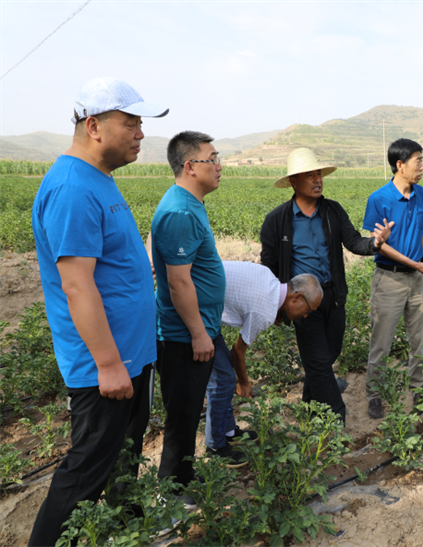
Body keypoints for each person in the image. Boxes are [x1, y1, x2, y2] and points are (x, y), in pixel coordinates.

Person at [28, 77, 168, 547]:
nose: (141, 133)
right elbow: (76, 283)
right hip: (103, 369)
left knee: (124, 458)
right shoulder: (72, 188)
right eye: (131, 122)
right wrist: (108, 365)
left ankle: (129, 531)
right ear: (94, 125)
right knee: (85, 470)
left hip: (130, 357)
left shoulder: (97, 179)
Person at [260, 148, 393, 426]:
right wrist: (276, 305)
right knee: (320, 363)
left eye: (318, 173)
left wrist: (375, 244)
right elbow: (269, 266)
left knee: (329, 354)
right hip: (301, 302)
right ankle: (336, 418)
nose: (317, 179)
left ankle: (308, 405)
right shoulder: (277, 220)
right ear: (294, 182)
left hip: (332, 296)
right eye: (310, 174)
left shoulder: (332, 211)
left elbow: (354, 241)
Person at [151, 131, 224, 505]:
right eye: (212, 158)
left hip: (196, 331)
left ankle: (184, 477)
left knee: (190, 410)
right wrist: (198, 334)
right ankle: (171, 494)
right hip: (183, 337)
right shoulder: (180, 211)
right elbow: (179, 283)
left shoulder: (190, 203)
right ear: (190, 166)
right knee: (181, 416)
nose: (219, 166)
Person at [205, 263, 323, 465]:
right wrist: (244, 382)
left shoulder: (269, 277)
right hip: (194, 311)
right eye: (308, 310)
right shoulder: (265, 311)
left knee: (225, 376)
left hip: (204, 304)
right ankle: (215, 446)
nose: (305, 316)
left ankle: (229, 431)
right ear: (296, 298)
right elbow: (238, 350)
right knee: (223, 382)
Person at [362, 138, 423, 420]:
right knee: (381, 342)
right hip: (389, 280)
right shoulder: (379, 198)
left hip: (418, 280)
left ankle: (418, 391)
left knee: (419, 341)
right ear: (400, 165)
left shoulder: (422, 194)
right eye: (417, 161)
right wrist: (418, 265)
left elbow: (421, 229)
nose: (422, 166)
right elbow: (378, 244)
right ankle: (374, 394)